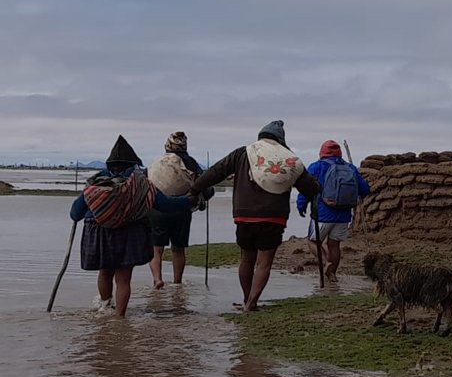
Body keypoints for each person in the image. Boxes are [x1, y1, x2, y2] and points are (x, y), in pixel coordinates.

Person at [188, 120, 319, 311]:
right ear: (281, 139)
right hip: (274, 216)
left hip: (244, 215)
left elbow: (216, 171)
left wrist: (194, 189)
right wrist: (317, 188)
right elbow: (310, 188)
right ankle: (252, 302)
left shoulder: (243, 152)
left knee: (246, 259)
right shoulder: (290, 158)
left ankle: (245, 299)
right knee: (264, 263)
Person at [69, 135, 195, 318]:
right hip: (129, 233)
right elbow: (166, 204)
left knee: (105, 272)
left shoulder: (96, 183)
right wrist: (191, 200)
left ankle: (105, 307)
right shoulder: (141, 184)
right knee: (123, 279)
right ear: (134, 165)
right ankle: (120, 318)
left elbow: (75, 213)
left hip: (99, 233)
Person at [147, 132, 216, 289]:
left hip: (157, 210)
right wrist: (205, 197)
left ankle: (157, 279)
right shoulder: (191, 163)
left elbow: (147, 182)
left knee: (156, 249)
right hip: (182, 209)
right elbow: (204, 186)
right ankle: (177, 283)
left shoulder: (157, 162)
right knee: (178, 249)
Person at [296, 140, 370, 283]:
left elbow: (305, 189)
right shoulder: (351, 168)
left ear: (322, 152)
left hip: (322, 214)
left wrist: (301, 206)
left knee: (313, 242)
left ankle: (325, 262)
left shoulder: (316, 167)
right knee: (334, 245)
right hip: (343, 215)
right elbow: (365, 189)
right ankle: (332, 275)